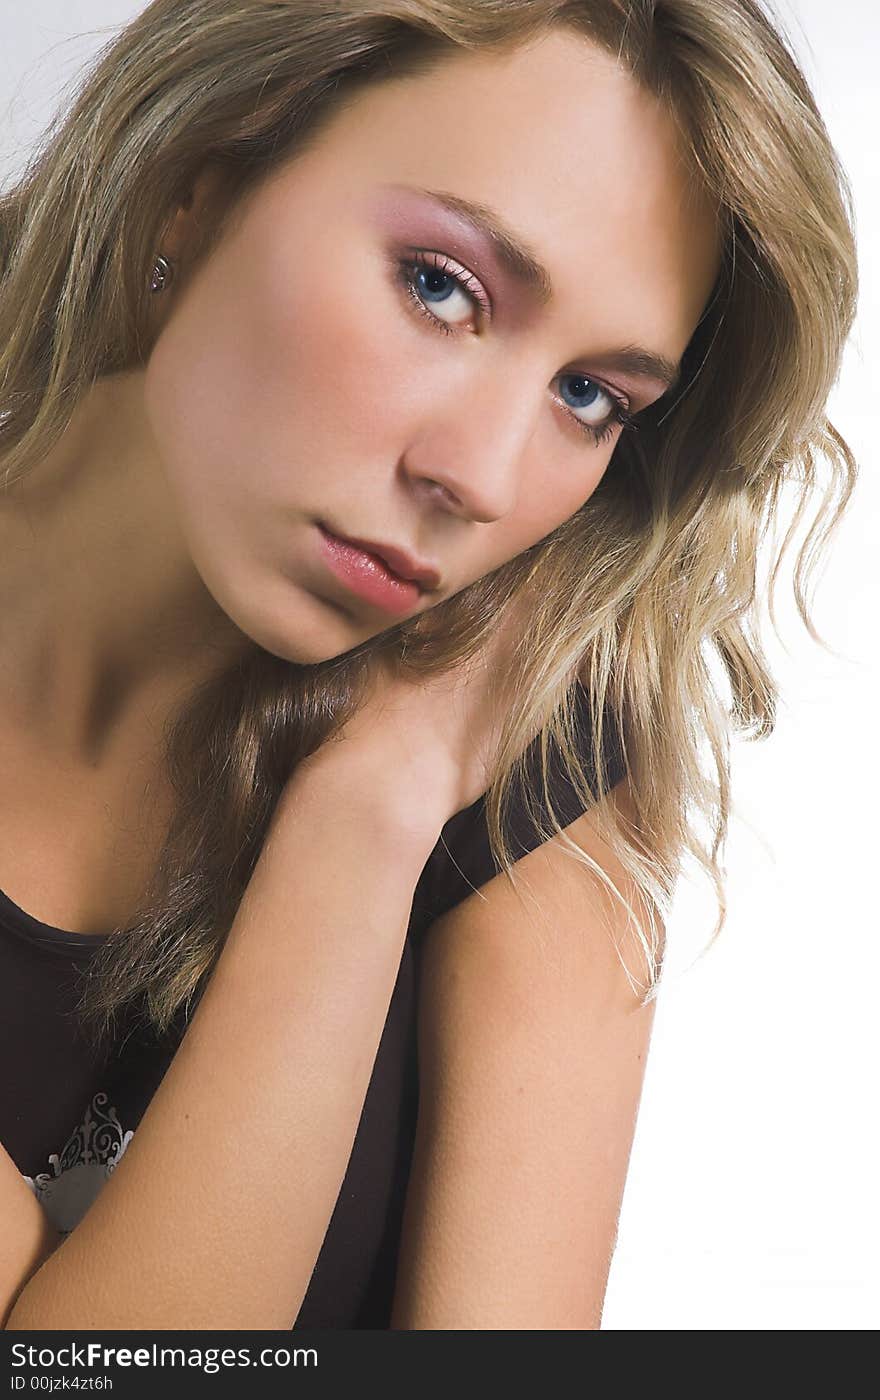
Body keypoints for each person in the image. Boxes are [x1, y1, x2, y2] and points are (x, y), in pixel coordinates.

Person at [0, 0, 857, 1331]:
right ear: (195, 181)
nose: (480, 475)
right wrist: (362, 827)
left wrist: (395, 783)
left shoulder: (525, 734)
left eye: (593, 398)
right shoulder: (445, 750)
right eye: (440, 286)